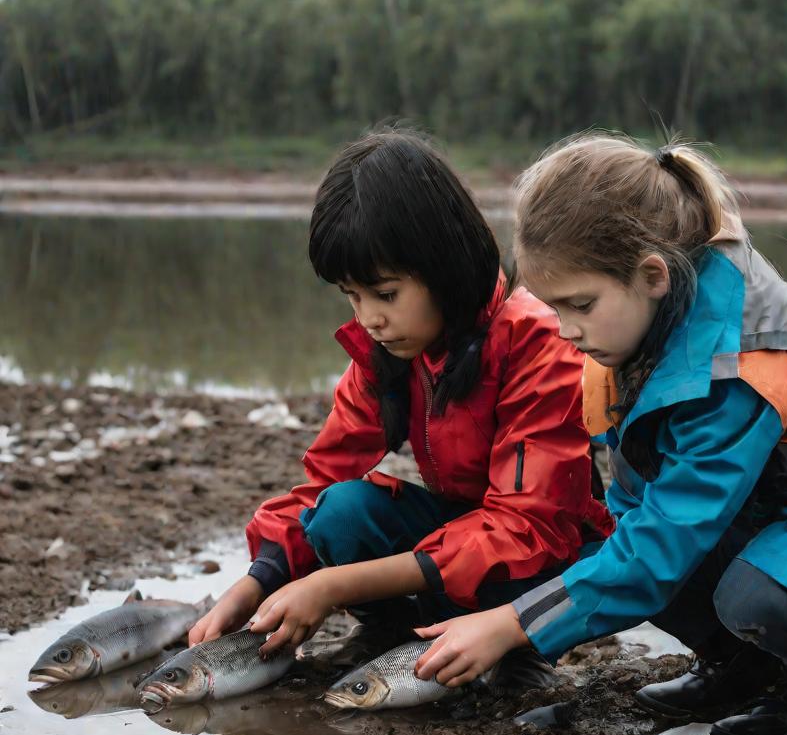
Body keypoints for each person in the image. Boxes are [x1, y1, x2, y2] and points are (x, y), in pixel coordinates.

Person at [415, 133, 787, 735]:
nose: (564, 330)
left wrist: (510, 625)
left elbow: (661, 551)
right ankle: (744, 667)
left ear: (653, 276)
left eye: (580, 305)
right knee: (627, 538)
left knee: (755, 596)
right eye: (552, 308)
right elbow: (639, 509)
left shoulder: (737, 372)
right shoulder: (626, 339)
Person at [189, 130, 611, 660]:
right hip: (461, 535)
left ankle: (505, 650)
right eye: (352, 296)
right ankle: (401, 637)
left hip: (547, 559)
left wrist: (332, 586)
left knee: (507, 570)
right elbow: (326, 476)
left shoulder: (536, 340)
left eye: (386, 294)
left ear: (444, 266)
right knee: (339, 513)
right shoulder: (387, 349)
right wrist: (255, 582)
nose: (369, 319)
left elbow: (526, 525)